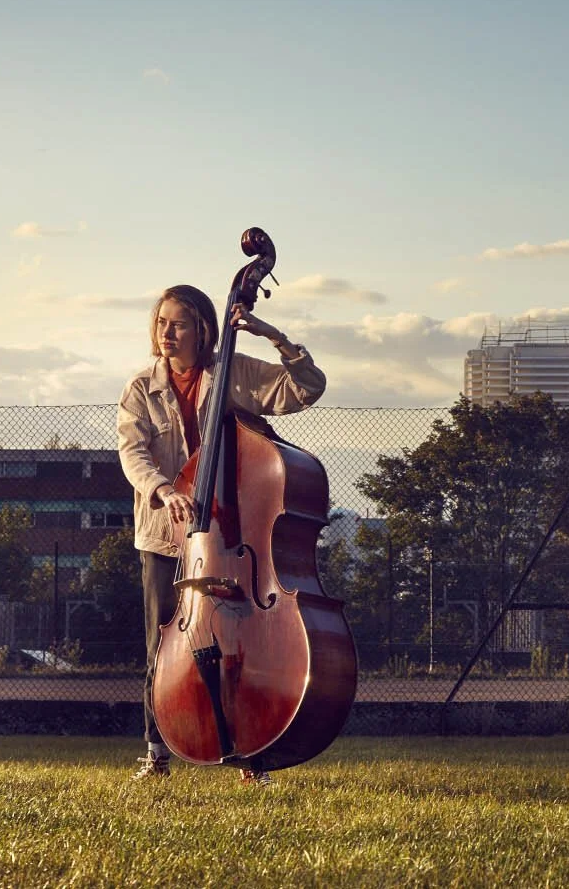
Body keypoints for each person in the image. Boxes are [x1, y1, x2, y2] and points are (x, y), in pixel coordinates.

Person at [116, 284, 326, 785]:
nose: (168, 333)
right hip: (165, 533)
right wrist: (165, 491)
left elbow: (306, 388)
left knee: (244, 642)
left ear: (203, 330)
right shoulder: (141, 388)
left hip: (230, 537)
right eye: (162, 322)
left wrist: (272, 335)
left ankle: (253, 754)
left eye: (179, 324)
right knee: (161, 646)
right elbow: (133, 452)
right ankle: (156, 752)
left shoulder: (233, 371)